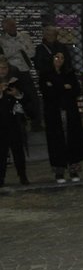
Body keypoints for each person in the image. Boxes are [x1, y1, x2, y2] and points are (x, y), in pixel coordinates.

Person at [39, 47, 83, 182]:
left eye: (62, 58)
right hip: (54, 112)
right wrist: (63, 87)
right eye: (56, 58)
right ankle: (59, 170)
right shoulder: (45, 74)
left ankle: (73, 169)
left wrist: (57, 86)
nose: (59, 61)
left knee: (72, 139)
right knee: (56, 140)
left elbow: (75, 90)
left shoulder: (69, 73)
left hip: (69, 110)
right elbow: (47, 92)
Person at [0, 16, 40, 125]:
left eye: (13, 25)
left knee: (31, 96)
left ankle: (36, 121)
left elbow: (32, 53)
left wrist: (14, 51)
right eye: (8, 26)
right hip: (11, 71)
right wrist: (20, 49)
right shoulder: (2, 40)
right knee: (13, 95)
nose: (12, 28)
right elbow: (5, 56)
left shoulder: (25, 36)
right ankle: (17, 120)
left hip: (24, 70)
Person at [0, 58, 28, 186]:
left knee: (18, 150)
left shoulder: (15, 81)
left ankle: (22, 175)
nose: (3, 71)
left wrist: (17, 94)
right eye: (0, 68)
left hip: (14, 121)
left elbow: (24, 98)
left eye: (5, 68)